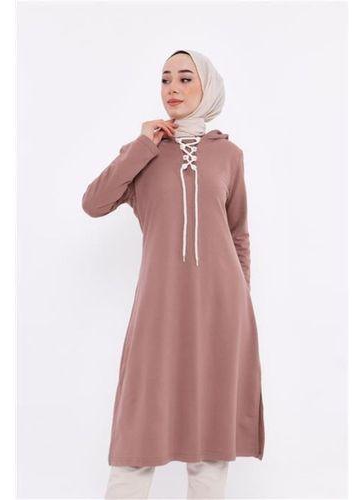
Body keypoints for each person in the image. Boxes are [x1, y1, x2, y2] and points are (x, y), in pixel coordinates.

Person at [82, 49, 265, 499]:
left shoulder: (229, 155)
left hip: (221, 311)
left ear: (207, 87)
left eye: (185, 79)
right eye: (165, 80)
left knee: (211, 443)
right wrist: (142, 145)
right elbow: (94, 203)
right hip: (159, 309)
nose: (173, 89)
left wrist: (240, 303)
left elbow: (238, 235)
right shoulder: (144, 153)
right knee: (137, 433)